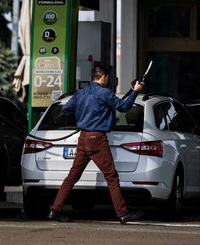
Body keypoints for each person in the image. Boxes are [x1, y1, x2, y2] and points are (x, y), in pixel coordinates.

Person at [48, 65, 145, 224]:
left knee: (72, 176)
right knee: (111, 177)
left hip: (83, 137)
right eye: (108, 78)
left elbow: (66, 109)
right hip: (98, 139)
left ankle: (55, 210)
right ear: (104, 77)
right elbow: (124, 107)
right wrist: (135, 91)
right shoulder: (105, 93)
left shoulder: (81, 93)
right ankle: (123, 213)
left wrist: (83, 117)